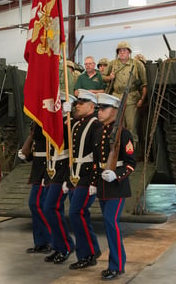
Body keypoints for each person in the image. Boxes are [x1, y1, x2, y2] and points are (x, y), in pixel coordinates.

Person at [91, 93, 136, 280]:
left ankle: (116, 265)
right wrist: (94, 183)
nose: (99, 112)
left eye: (103, 109)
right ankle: (116, 264)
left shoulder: (124, 134)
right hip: (102, 185)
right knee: (109, 224)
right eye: (98, 109)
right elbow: (95, 162)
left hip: (117, 186)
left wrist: (116, 175)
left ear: (115, 111)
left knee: (111, 222)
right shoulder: (98, 132)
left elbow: (131, 163)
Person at [66, 89, 102, 270]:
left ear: (92, 106)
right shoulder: (76, 124)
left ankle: (86, 255)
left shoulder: (96, 125)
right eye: (77, 103)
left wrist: (94, 181)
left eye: (81, 103)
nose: (77, 106)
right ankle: (93, 249)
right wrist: (67, 179)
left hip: (87, 177)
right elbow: (71, 154)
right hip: (75, 176)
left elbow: (98, 156)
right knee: (81, 215)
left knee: (75, 213)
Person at [44, 93, 76, 264]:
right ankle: (58, 246)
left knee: (51, 208)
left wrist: (66, 178)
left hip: (63, 170)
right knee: (48, 209)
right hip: (52, 171)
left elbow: (73, 150)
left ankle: (65, 246)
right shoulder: (53, 123)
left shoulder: (70, 124)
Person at [103, 41, 147, 143]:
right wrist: (110, 77)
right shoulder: (112, 64)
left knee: (131, 128)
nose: (122, 52)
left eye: (124, 50)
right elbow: (102, 77)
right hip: (116, 99)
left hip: (132, 98)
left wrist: (142, 99)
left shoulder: (137, 64)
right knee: (117, 127)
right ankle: (119, 153)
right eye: (120, 51)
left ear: (129, 52)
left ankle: (131, 154)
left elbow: (145, 83)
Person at [18, 122, 52, 254]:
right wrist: (28, 154)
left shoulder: (49, 120)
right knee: (35, 205)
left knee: (40, 205)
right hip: (38, 169)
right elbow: (36, 145)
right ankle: (40, 242)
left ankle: (49, 240)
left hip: (47, 169)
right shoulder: (37, 121)